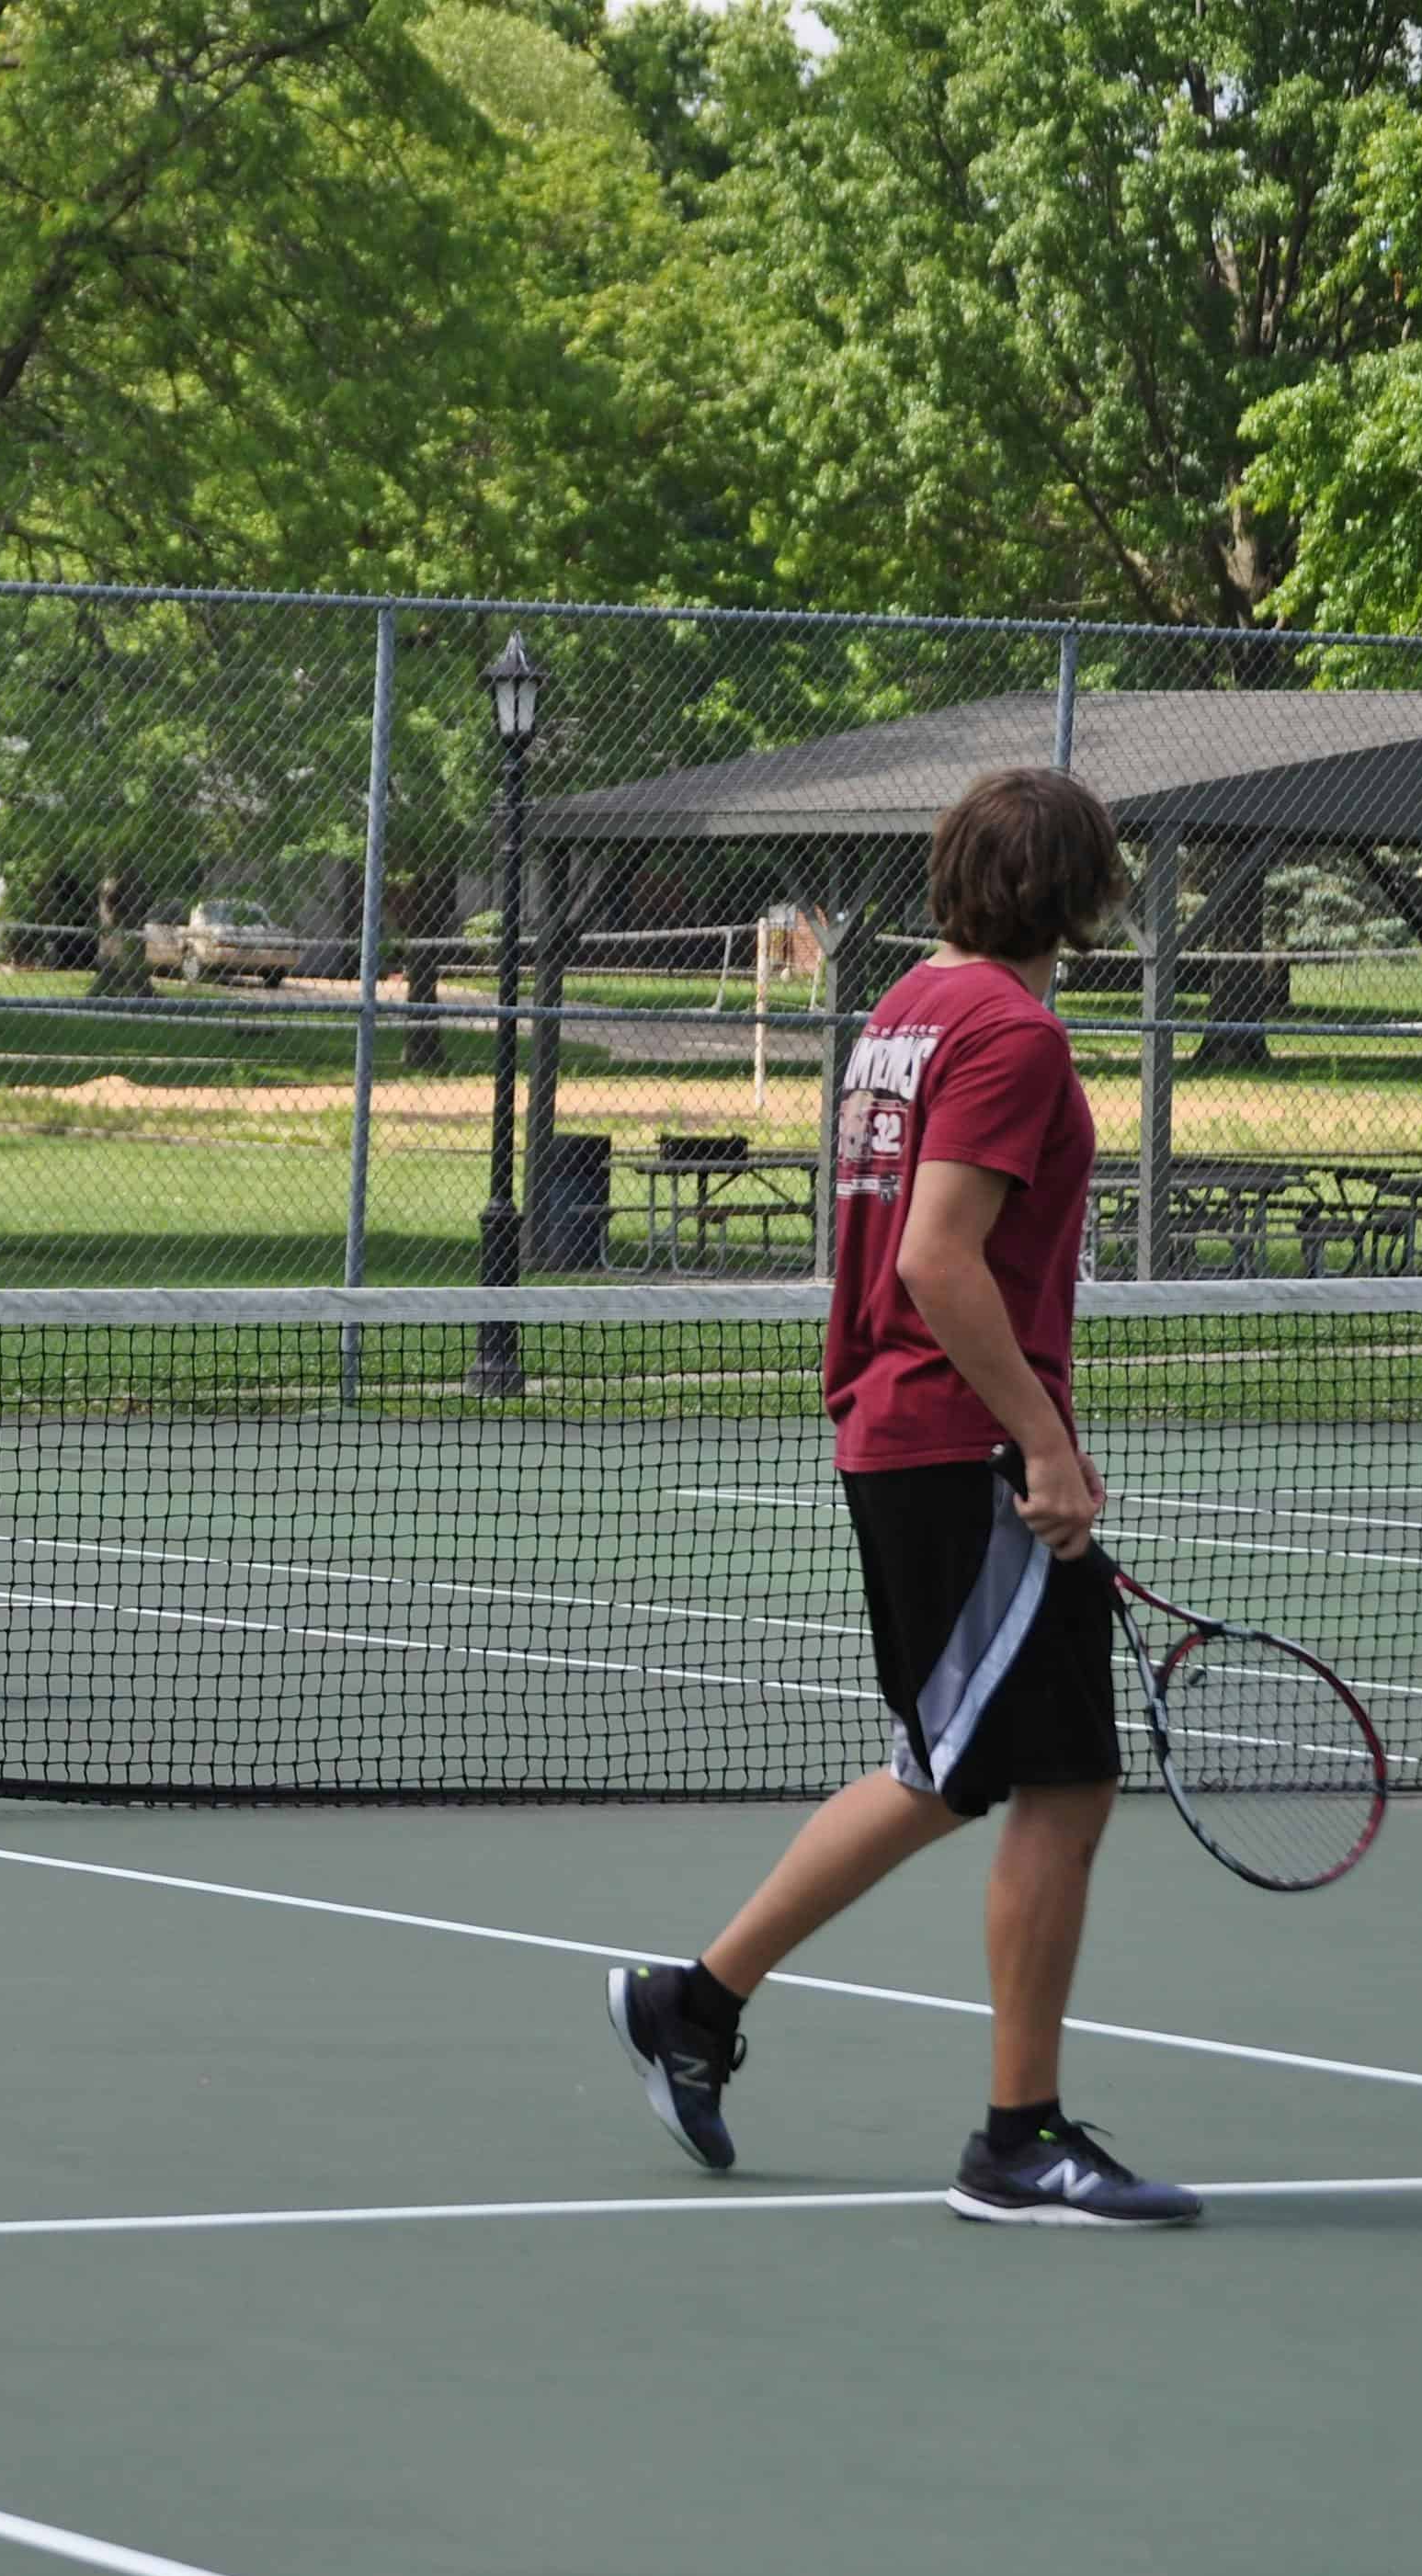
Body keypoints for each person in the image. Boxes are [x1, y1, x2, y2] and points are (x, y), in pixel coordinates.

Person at [603, 766, 1201, 2228]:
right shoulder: (1011, 1035)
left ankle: (697, 2002)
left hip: (915, 1441)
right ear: (1084, 893)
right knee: (1055, 1781)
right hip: (956, 1448)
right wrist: (1044, 1445)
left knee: (955, 1768)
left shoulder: (906, 1014)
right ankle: (1017, 2140)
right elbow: (940, 1261)